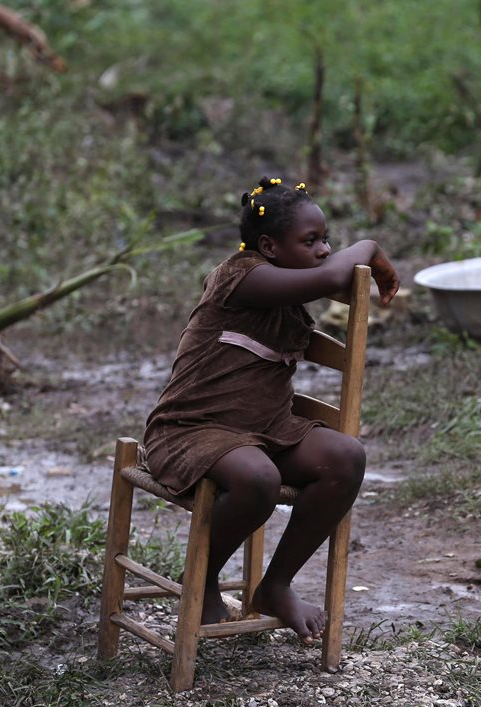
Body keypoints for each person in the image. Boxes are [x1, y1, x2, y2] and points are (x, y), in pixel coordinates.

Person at [143, 176, 399, 643]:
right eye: (311, 240)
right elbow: (331, 278)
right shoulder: (242, 277)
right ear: (268, 246)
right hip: (191, 429)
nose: (324, 250)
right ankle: (201, 578)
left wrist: (352, 257)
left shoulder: (286, 290)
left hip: (263, 430)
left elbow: (328, 277)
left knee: (345, 458)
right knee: (257, 478)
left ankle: (274, 585)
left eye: (328, 240)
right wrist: (369, 246)